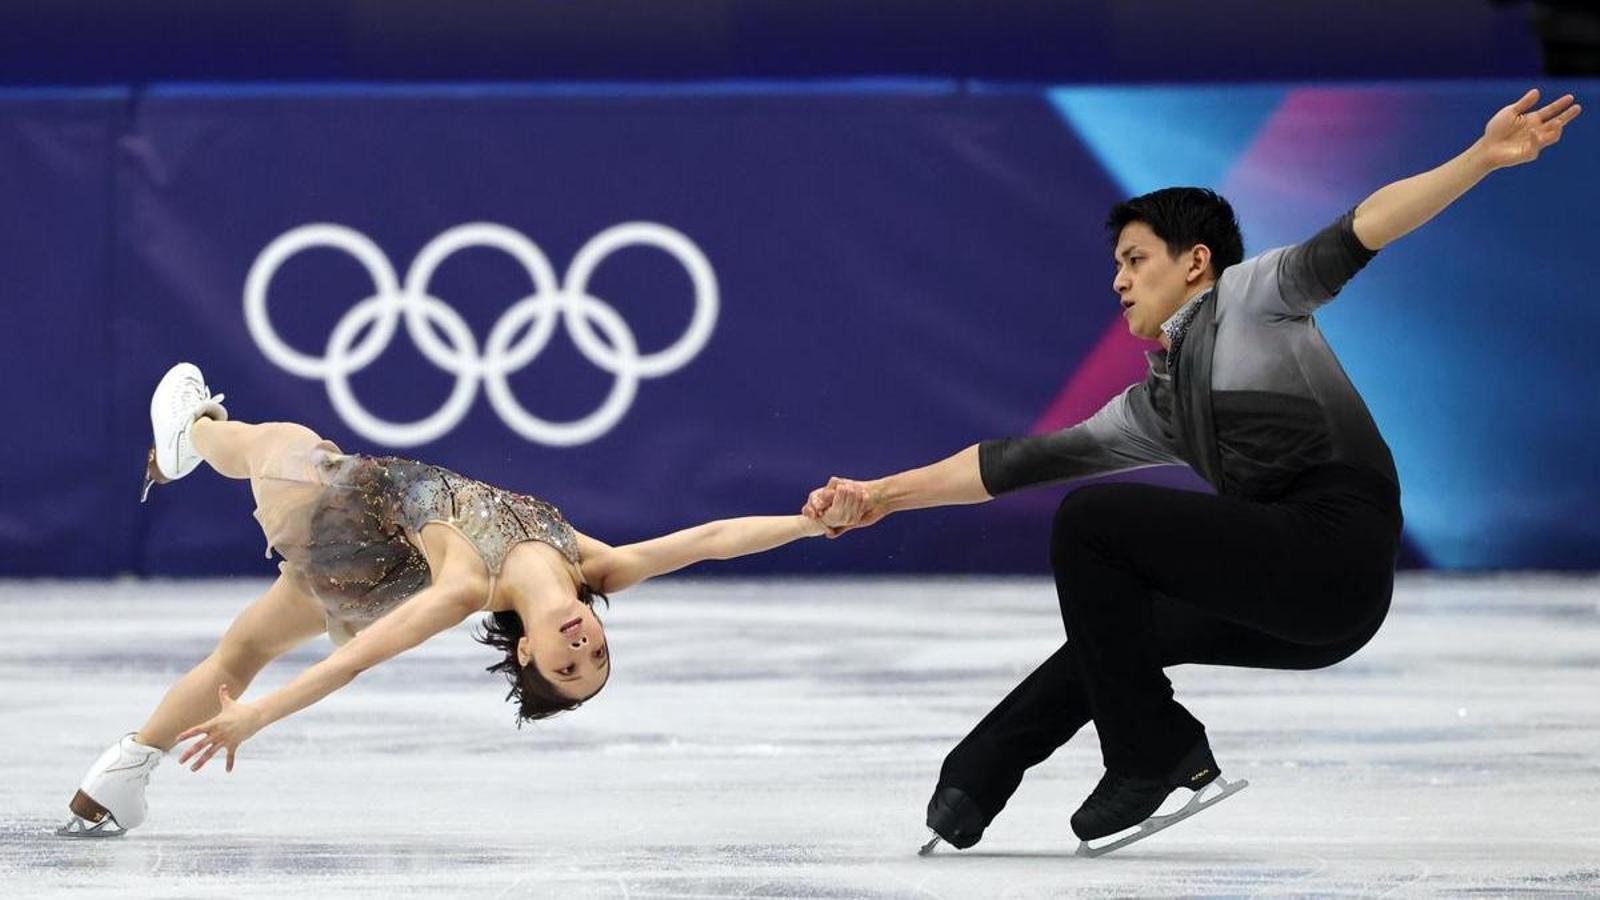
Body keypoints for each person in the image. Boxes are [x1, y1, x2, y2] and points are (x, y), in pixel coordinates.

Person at [804, 89, 1582, 855]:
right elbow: (1009, 465)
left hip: (1335, 549)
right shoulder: (1159, 404)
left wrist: (1480, 157)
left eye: (1135, 259)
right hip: (1307, 611)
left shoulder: (1253, 297)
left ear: (1196, 262)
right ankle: (974, 779)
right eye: (1117, 264)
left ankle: (1152, 753)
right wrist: (879, 496)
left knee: (1092, 523)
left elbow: (1364, 228)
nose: (1119, 280)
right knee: (1118, 632)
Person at [60, 362, 846, 837]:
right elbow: (711, 540)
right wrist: (810, 528)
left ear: (529, 649)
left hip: (335, 509)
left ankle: (190, 433)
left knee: (271, 440)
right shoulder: (594, 566)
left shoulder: (471, 583)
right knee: (241, 651)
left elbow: (363, 658)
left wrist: (257, 716)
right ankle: (119, 776)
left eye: (569, 666)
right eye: (598, 653)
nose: (584, 646)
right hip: (373, 574)